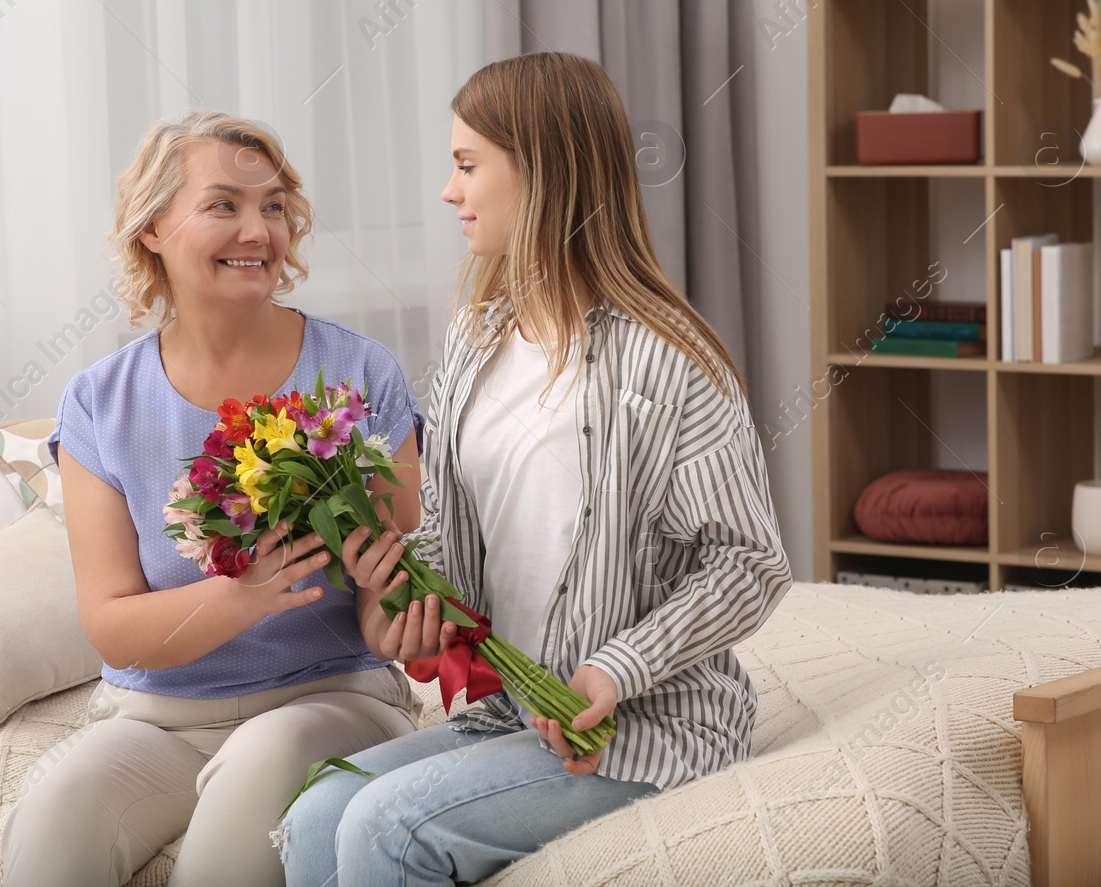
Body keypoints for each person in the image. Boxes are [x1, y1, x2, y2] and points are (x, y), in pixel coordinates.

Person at [277, 52, 794, 886]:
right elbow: (446, 533)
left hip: (647, 726)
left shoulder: (668, 361)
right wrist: (407, 598)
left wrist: (615, 668)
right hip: (508, 714)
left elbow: (750, 563)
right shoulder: (475, 340)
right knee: (313, 816)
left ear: (544, 172)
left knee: (387, 824)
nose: (451, 192)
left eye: (467, 165)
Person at [0, 111, 435, 887]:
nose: (258, 229)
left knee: (261, 762)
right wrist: (245, 596)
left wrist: (391, 596)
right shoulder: (101, 401)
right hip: (158, 718)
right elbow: (113, 628)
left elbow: (400, 591)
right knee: (56, 810)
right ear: (154, 229)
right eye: (224, 204)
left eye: (273, 206)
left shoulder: (360, 373)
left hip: (331, 696)